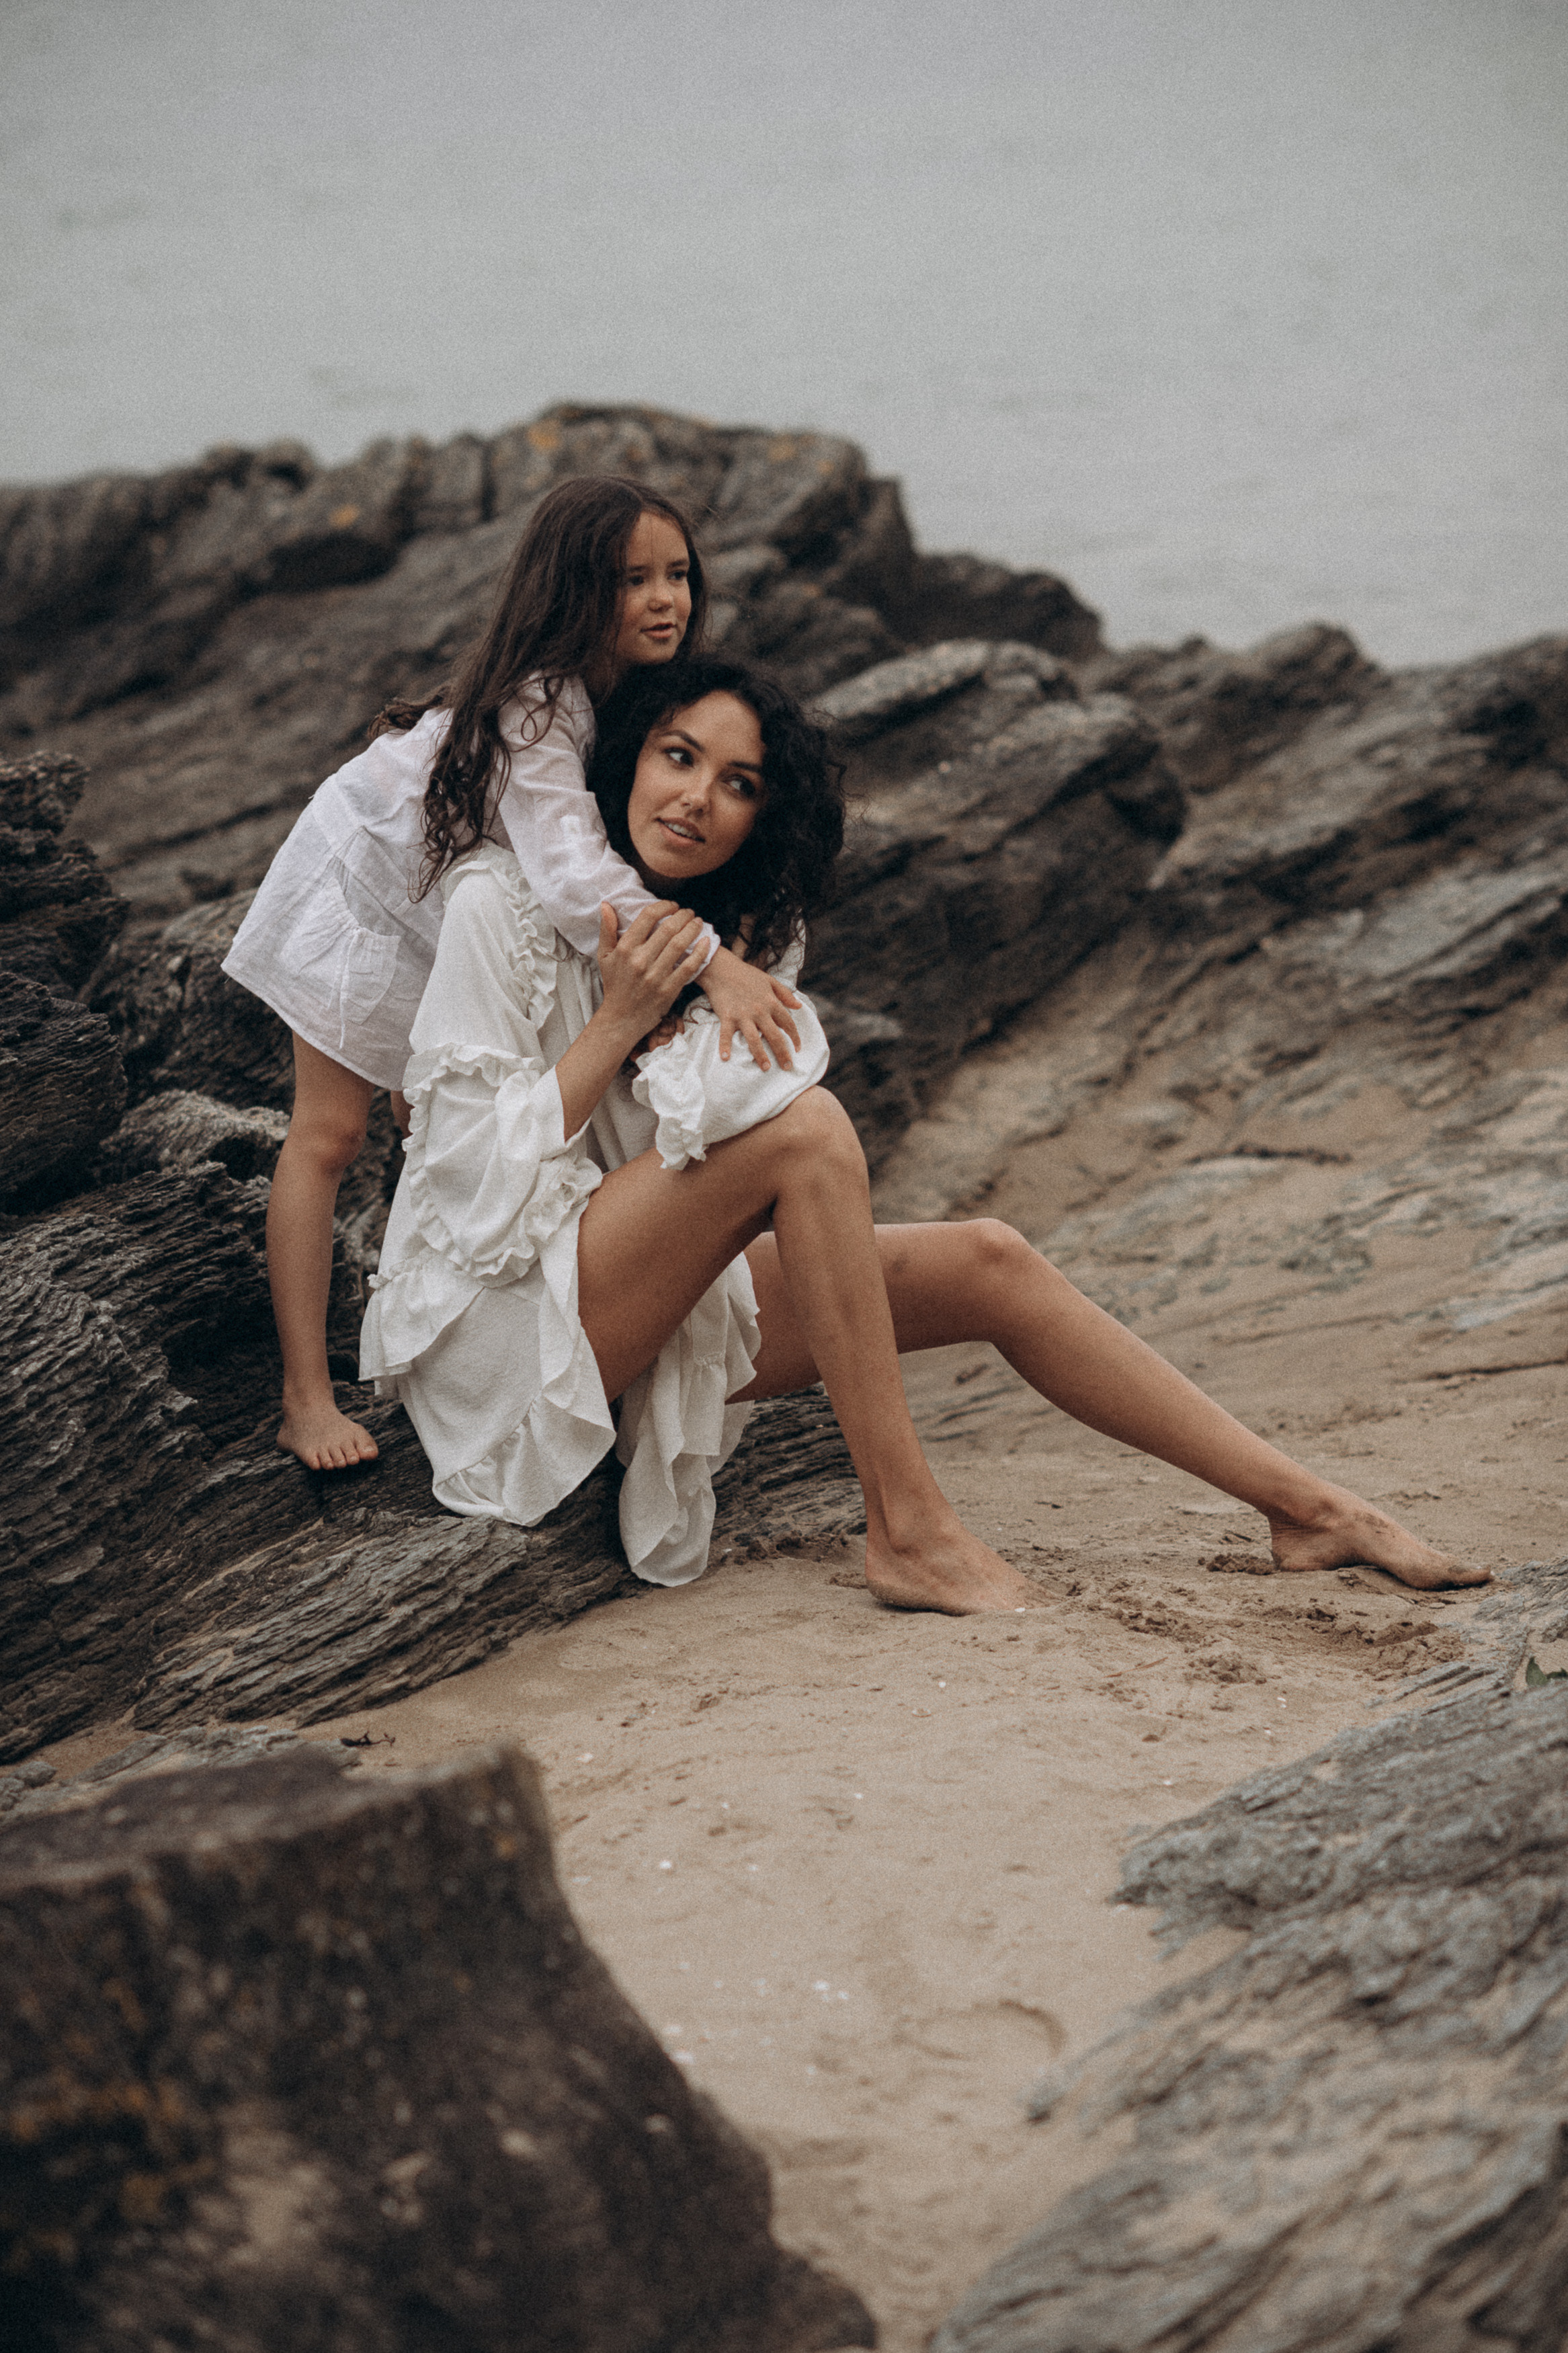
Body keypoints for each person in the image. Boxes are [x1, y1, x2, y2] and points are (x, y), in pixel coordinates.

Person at [362, 654, 1486, 1609]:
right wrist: (616, 1024)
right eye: (678, 756)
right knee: (809, 1134)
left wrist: (696, 990)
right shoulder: (498, 903)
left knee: (988, 1260)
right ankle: (907, 1527)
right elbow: (465, 1186)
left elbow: (717, 1135)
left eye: (738, 783)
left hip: (622, 1294)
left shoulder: (726, 951)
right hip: (496, 1331)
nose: (697, 798)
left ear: (762, 818)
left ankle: (1309, 1510)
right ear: (626, 761)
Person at [222, 475, 802, 1474]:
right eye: (632, 580)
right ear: (574, 589)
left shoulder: (637, 696)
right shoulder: (539, 701)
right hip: (365, 886)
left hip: (451, 901)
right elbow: (575, 879)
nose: (664, 600)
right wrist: (709, 966)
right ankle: (305, 1397)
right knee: (329, 1135)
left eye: (677, 575)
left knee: (437, 1115)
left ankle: (441, 1312)